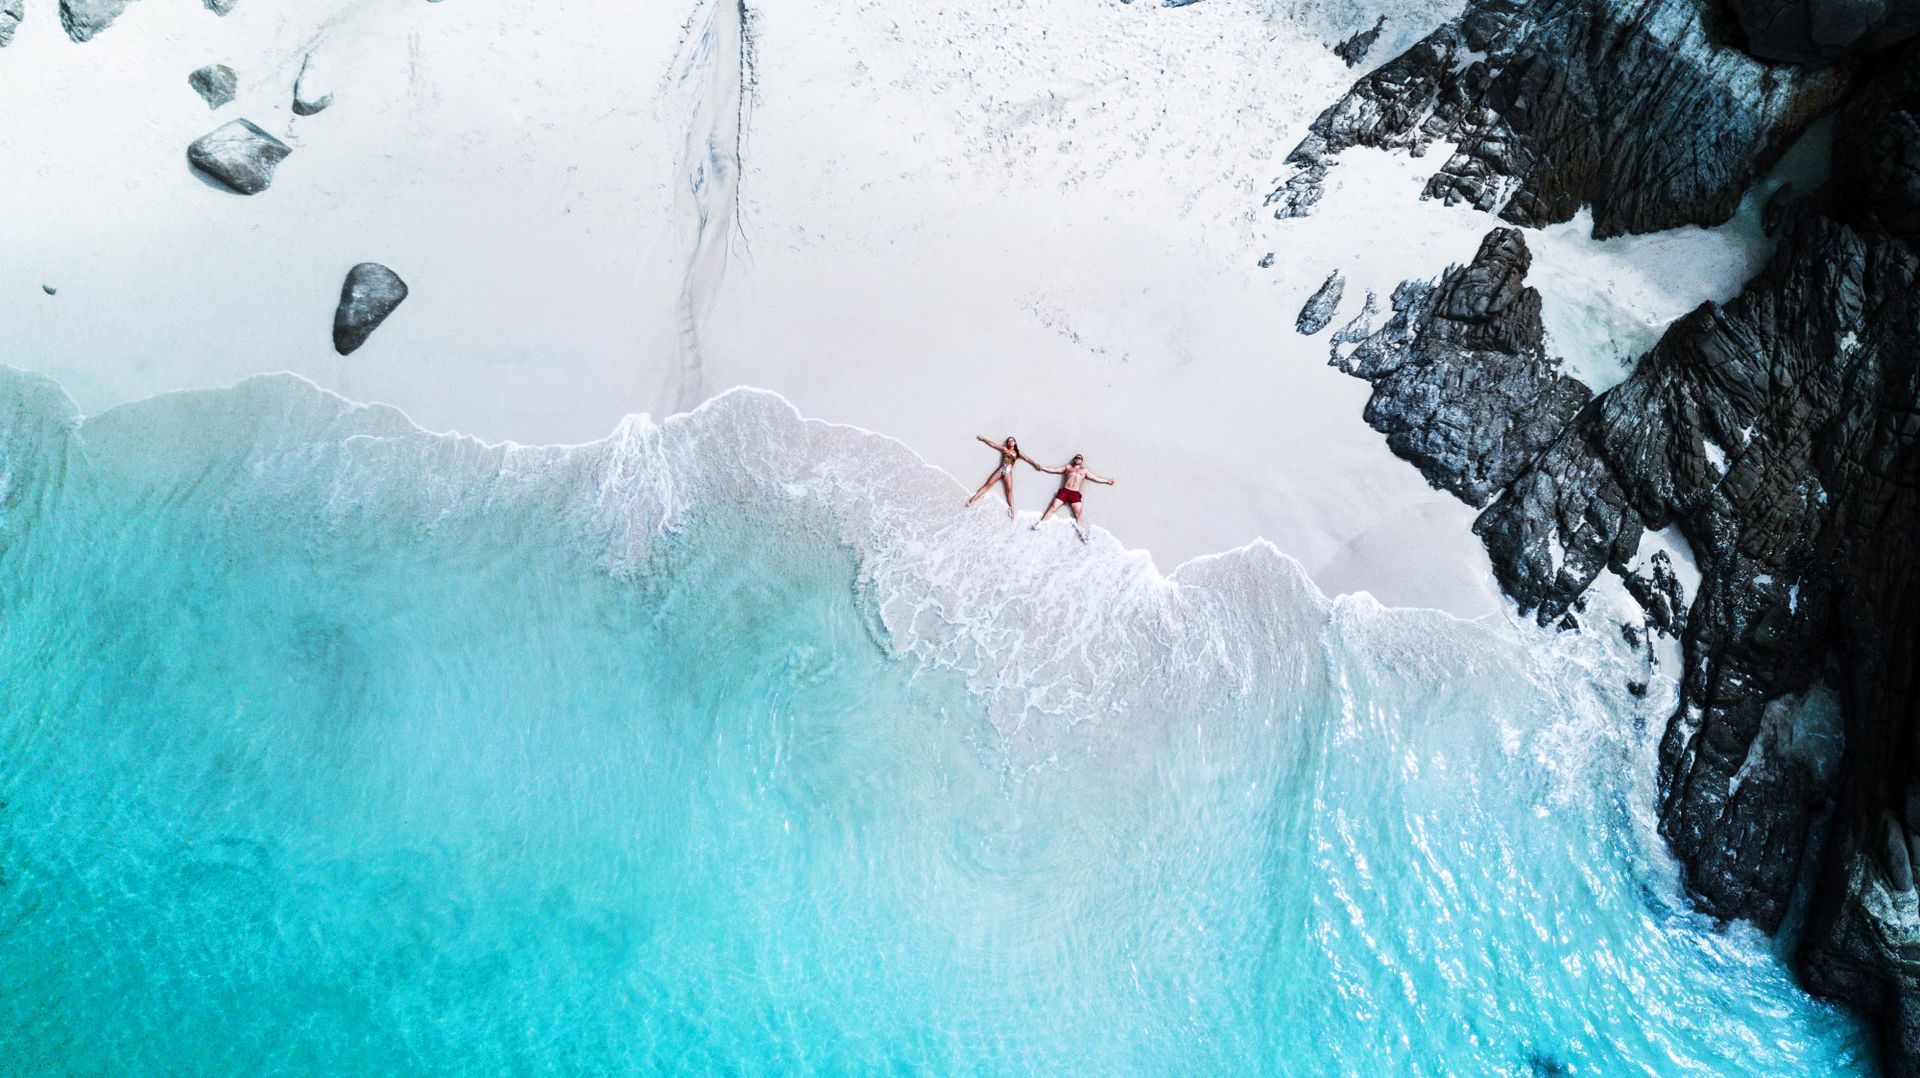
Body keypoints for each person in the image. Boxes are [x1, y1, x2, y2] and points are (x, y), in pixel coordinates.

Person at [1028, 453, 1115, 542]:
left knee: (1078, 514)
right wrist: (1042, 467)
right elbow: (1055, 470)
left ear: (1082, 461)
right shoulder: (1068, 467)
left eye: (1079, 458)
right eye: (1076, 458)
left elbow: (1095, 478)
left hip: (1075, 494)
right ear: (1074, 460)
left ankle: (1082, 534)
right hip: (1065, 491)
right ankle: (1040, 524)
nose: (1078, 459)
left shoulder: (1084, 471)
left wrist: (1107, 481)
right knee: (1052, 508)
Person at [966, 435, 1028, 518]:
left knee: (1009, 491)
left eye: (1012, 440)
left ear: (1015, 442)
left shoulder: (1018, 452)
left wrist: (1036, 465)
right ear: (1007, 443)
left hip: (1008, 473)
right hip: (1001, 470)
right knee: (987, 485)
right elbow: (993, 444)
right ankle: (972, 500)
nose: (1010, 442)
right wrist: (983, 439)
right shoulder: (1004, 449)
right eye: (1009, 441)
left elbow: (1027, 459)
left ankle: (1013, 510)